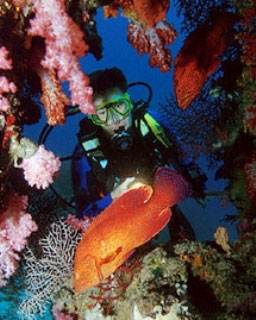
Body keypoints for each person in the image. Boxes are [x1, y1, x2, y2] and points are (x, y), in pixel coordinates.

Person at [71, 68, 207, 241]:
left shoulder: (152, 122)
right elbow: (82, 216)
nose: (114, 120)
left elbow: (183, 157)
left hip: (161, 197)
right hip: (118, 220)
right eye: (102, 113)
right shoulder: (84, 153)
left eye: (119, 106)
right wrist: (113, 197)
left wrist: (194, 184)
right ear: (92, 118)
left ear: (129, 102)